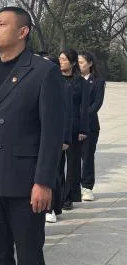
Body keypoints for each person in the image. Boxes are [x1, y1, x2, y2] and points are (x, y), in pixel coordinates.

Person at [0, 6, 65, 265]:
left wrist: (44, 182)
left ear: (23, 31)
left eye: (2, 24)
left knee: (29, 255)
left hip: (24, 182)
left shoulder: (43, 72)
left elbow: (52, 133)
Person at [59, 49, 89, 211]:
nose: (61, 62)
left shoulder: (80, 82)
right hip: (58, 127)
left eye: (64, 59)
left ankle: (68, 197)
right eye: (60, 59)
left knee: (72, 165)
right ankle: (58, 195)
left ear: (72, 63)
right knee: (57, 165)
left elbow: (84, 107)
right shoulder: (55, 79)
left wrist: (83, 129)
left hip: (75, 128)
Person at [78, 51, 105, 202]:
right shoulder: (72, 80)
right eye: (77, 62)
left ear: (90, 64)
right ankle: (72, 187)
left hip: (90, 125)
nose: (79, 65)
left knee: (87, 156)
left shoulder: (98, 82)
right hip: (71, 125)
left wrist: (82, 116)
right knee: (72, 158)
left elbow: (97, 103)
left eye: (81, 62)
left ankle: (87, 187)